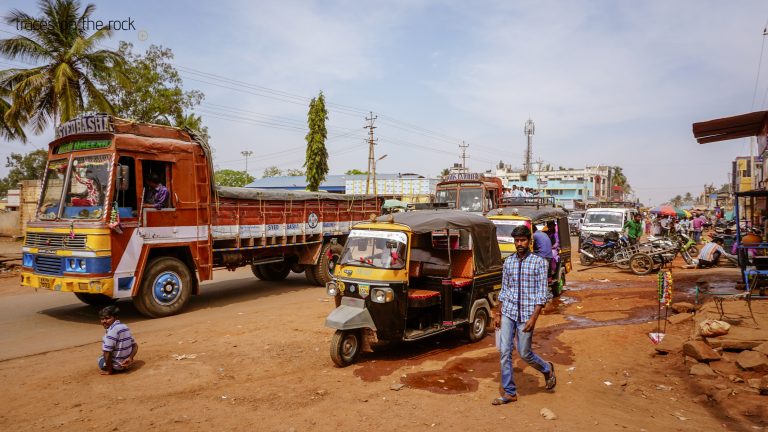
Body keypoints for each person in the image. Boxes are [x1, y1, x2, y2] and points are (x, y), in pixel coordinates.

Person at [491, 225, 555, 405]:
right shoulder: (508, 262)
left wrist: (534, 318)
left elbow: (542, 293)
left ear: (529, 241)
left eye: (523, 240)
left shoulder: (539, 263)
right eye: (516, 241)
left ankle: (546, 369)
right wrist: (498, 313)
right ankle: (510, 392)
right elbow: (504, 289)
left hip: (527, 315)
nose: (519, 244)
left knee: (525, 353)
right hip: (509, 312)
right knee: (505, 352)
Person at [98, 305, 138, 375]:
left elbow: (107, 352)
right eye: (102, 319)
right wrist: (130, 358)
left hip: (117, 366)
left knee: (100, 359)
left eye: (107, 318)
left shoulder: (112, 331)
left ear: (116, 318)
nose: (104, 321)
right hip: (127, 364)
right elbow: (135, 346)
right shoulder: (125, 326)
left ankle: (112, 369)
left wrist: (109, 371)